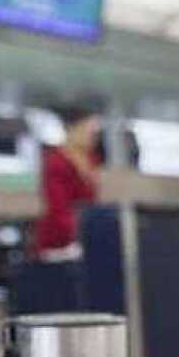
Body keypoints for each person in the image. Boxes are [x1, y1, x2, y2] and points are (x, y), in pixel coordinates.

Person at [34, 105, 101, 261]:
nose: (92, 136)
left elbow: (92, 203)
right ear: (71, 129)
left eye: (94, 132)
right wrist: (78, 236)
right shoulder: (55, 162)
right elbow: (58, 206)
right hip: (58, 242)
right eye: (87, 130)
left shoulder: (92, 160)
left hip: (84, 237)